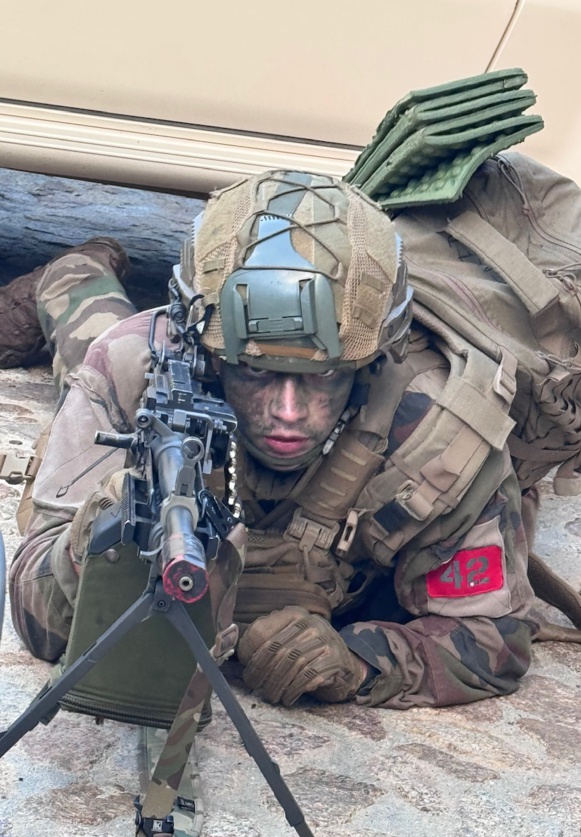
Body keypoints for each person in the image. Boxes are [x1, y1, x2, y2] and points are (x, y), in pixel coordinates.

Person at [4, 169, 538, 710]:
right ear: (209, 356)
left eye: (325, 376)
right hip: (133, 358)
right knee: (93, 341)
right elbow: (33, 612)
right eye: (256, 372)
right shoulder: (136, 369)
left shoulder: (435, 431)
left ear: (371, 363)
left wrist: (360, 660)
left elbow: (498, 639)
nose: (288, 412)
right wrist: (100, 536)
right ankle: (74, 273)